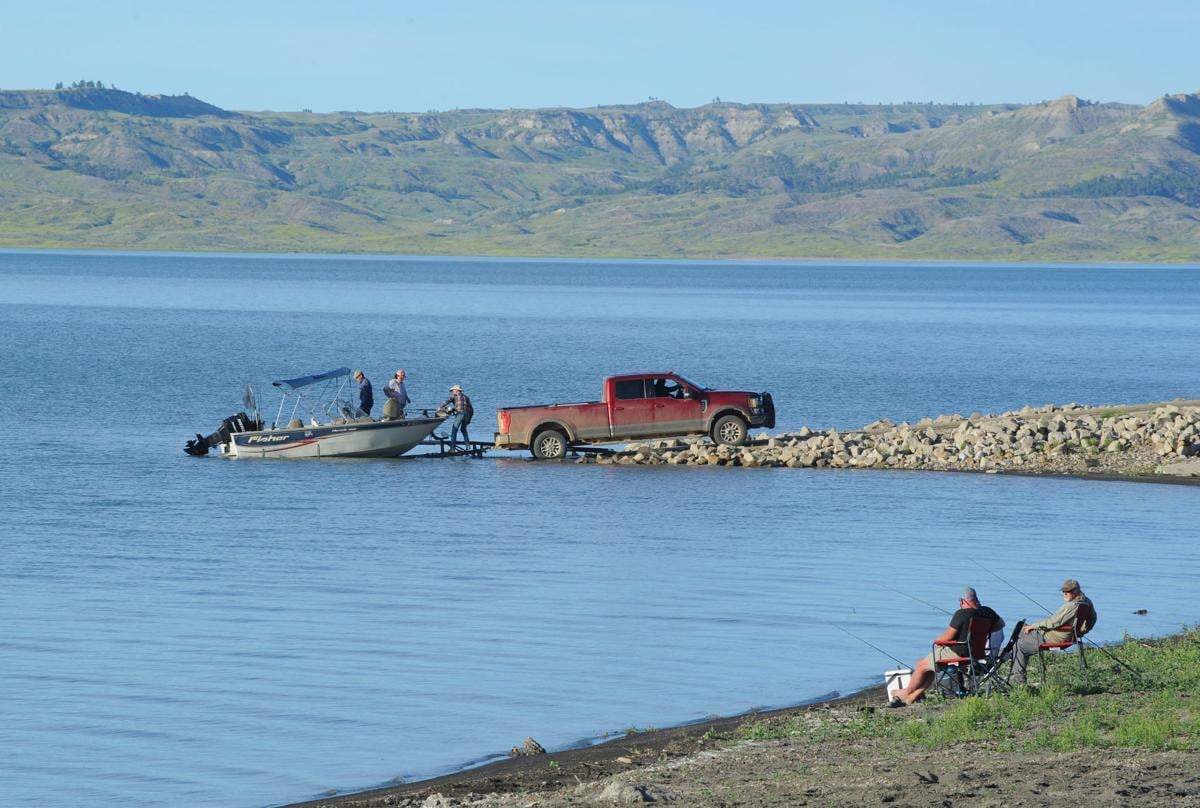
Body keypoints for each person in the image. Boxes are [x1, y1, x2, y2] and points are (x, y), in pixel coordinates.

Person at [888, 586, 1005, 706]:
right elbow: (1001, 624)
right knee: (930, 666)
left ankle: (906, 692)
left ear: (962, 601)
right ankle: (912, 697)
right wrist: (986, 630)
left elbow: (946, 638)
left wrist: (937, 640)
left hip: (959, 652)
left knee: (921, 664)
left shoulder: (962, 614)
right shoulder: (988, 612)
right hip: (977, 653)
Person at [1009, 578, 1096, 685]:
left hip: (1052, 638)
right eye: (1063, 591)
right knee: (1021, 630)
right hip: (1067, 637)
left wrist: (1034, 626)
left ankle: (1018, 680)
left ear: (1076, 591)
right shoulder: (1087, 602)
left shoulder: (1071, 606)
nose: (1064, 594)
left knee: (1018, 644)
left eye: (1067, 591)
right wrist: (1080, 632)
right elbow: (1093, 619)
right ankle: (1010, 657)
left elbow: (1053, 622)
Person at [439, 384, 473, 452]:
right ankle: (468, 446)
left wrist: (440, 407)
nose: (452, 392)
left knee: (454, 431)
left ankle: (452, 449)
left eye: (453, 390)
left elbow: (447, 401)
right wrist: (469, 419)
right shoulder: (466, 397)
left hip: (460, 414)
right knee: (463, 430)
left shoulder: (455, 395)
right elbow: (471, 409)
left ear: (457, 391)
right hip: (467, 415)